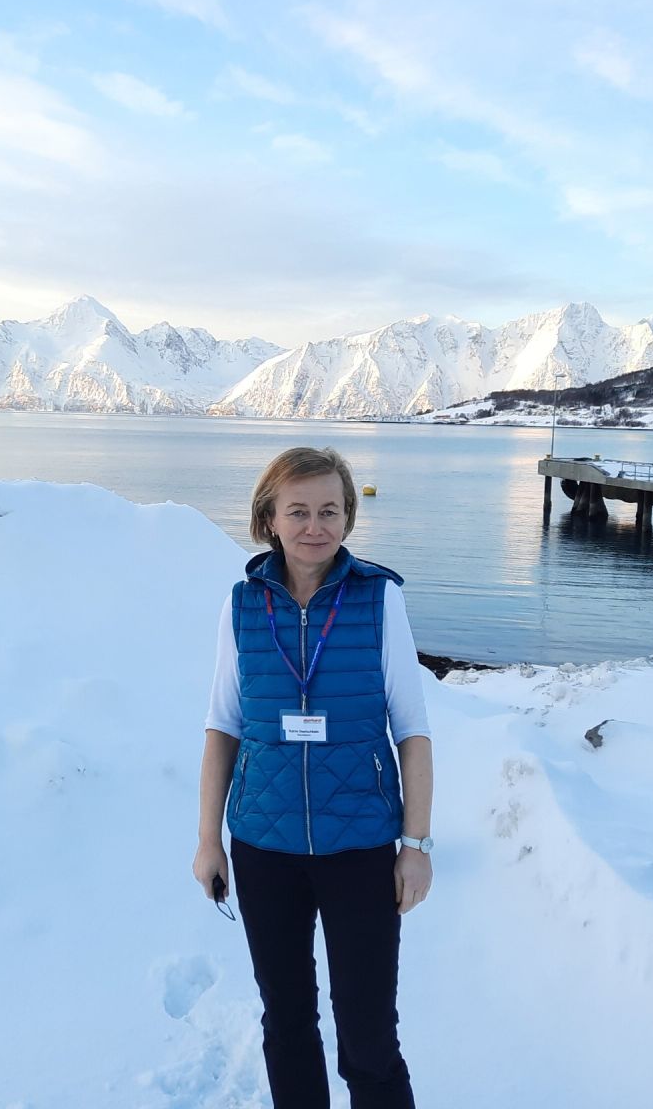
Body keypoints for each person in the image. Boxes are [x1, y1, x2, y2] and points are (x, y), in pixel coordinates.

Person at [193, 446, 433, 1109]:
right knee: (287, 1022)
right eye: (297, 510)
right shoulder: (243, 604)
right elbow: (222, 727)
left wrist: (415, 846)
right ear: (270, 517)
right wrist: (209, 840)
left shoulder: (379, 600)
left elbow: (413, 732)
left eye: (330, 509)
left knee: (369, 1038)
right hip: (264, 848)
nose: (314, 525)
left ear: (348, 516)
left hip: (357, 848)